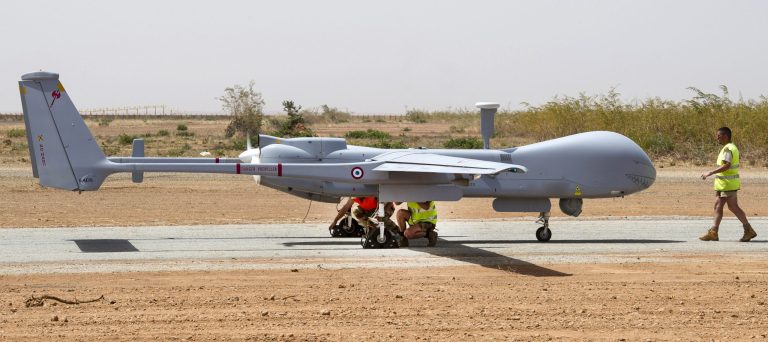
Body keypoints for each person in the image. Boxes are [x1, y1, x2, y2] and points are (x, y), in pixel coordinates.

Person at [699, 127, 757, 242]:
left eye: (719, 136)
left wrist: (710, 172)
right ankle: (714, 232)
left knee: (733, 207)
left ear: (725, 136)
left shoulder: (728, 149)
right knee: (718, 206)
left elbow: (727, 165)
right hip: (723, 184)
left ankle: (748, 230)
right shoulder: (728, 147)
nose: (717, 138)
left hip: (728, 184)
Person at [329, 197, 396, 233]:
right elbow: (346, 207)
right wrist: (335, 221)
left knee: (380, 217)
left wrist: (381, 213)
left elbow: (389, 200)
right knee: (356, 210)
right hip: (368, 211)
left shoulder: (371, 191)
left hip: (386, 207)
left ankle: (397, 231)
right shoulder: (355, 194)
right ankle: (371, 229)